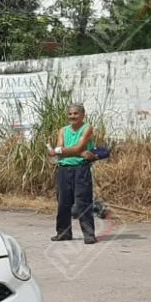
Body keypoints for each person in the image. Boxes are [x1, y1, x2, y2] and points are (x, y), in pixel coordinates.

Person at [46, 104, 100, 244]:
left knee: (83, 202)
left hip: (80, 168)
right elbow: (60, 146)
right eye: (70, 114)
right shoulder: (63, 130)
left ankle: (89, 234)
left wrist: (59, 151)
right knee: (63, 202)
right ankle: (63, 233)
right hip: (64, 168)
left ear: (82, 115)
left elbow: (78, 148)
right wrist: (61, 150)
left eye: (76, 114)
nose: (72, 117)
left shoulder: (87, 128)